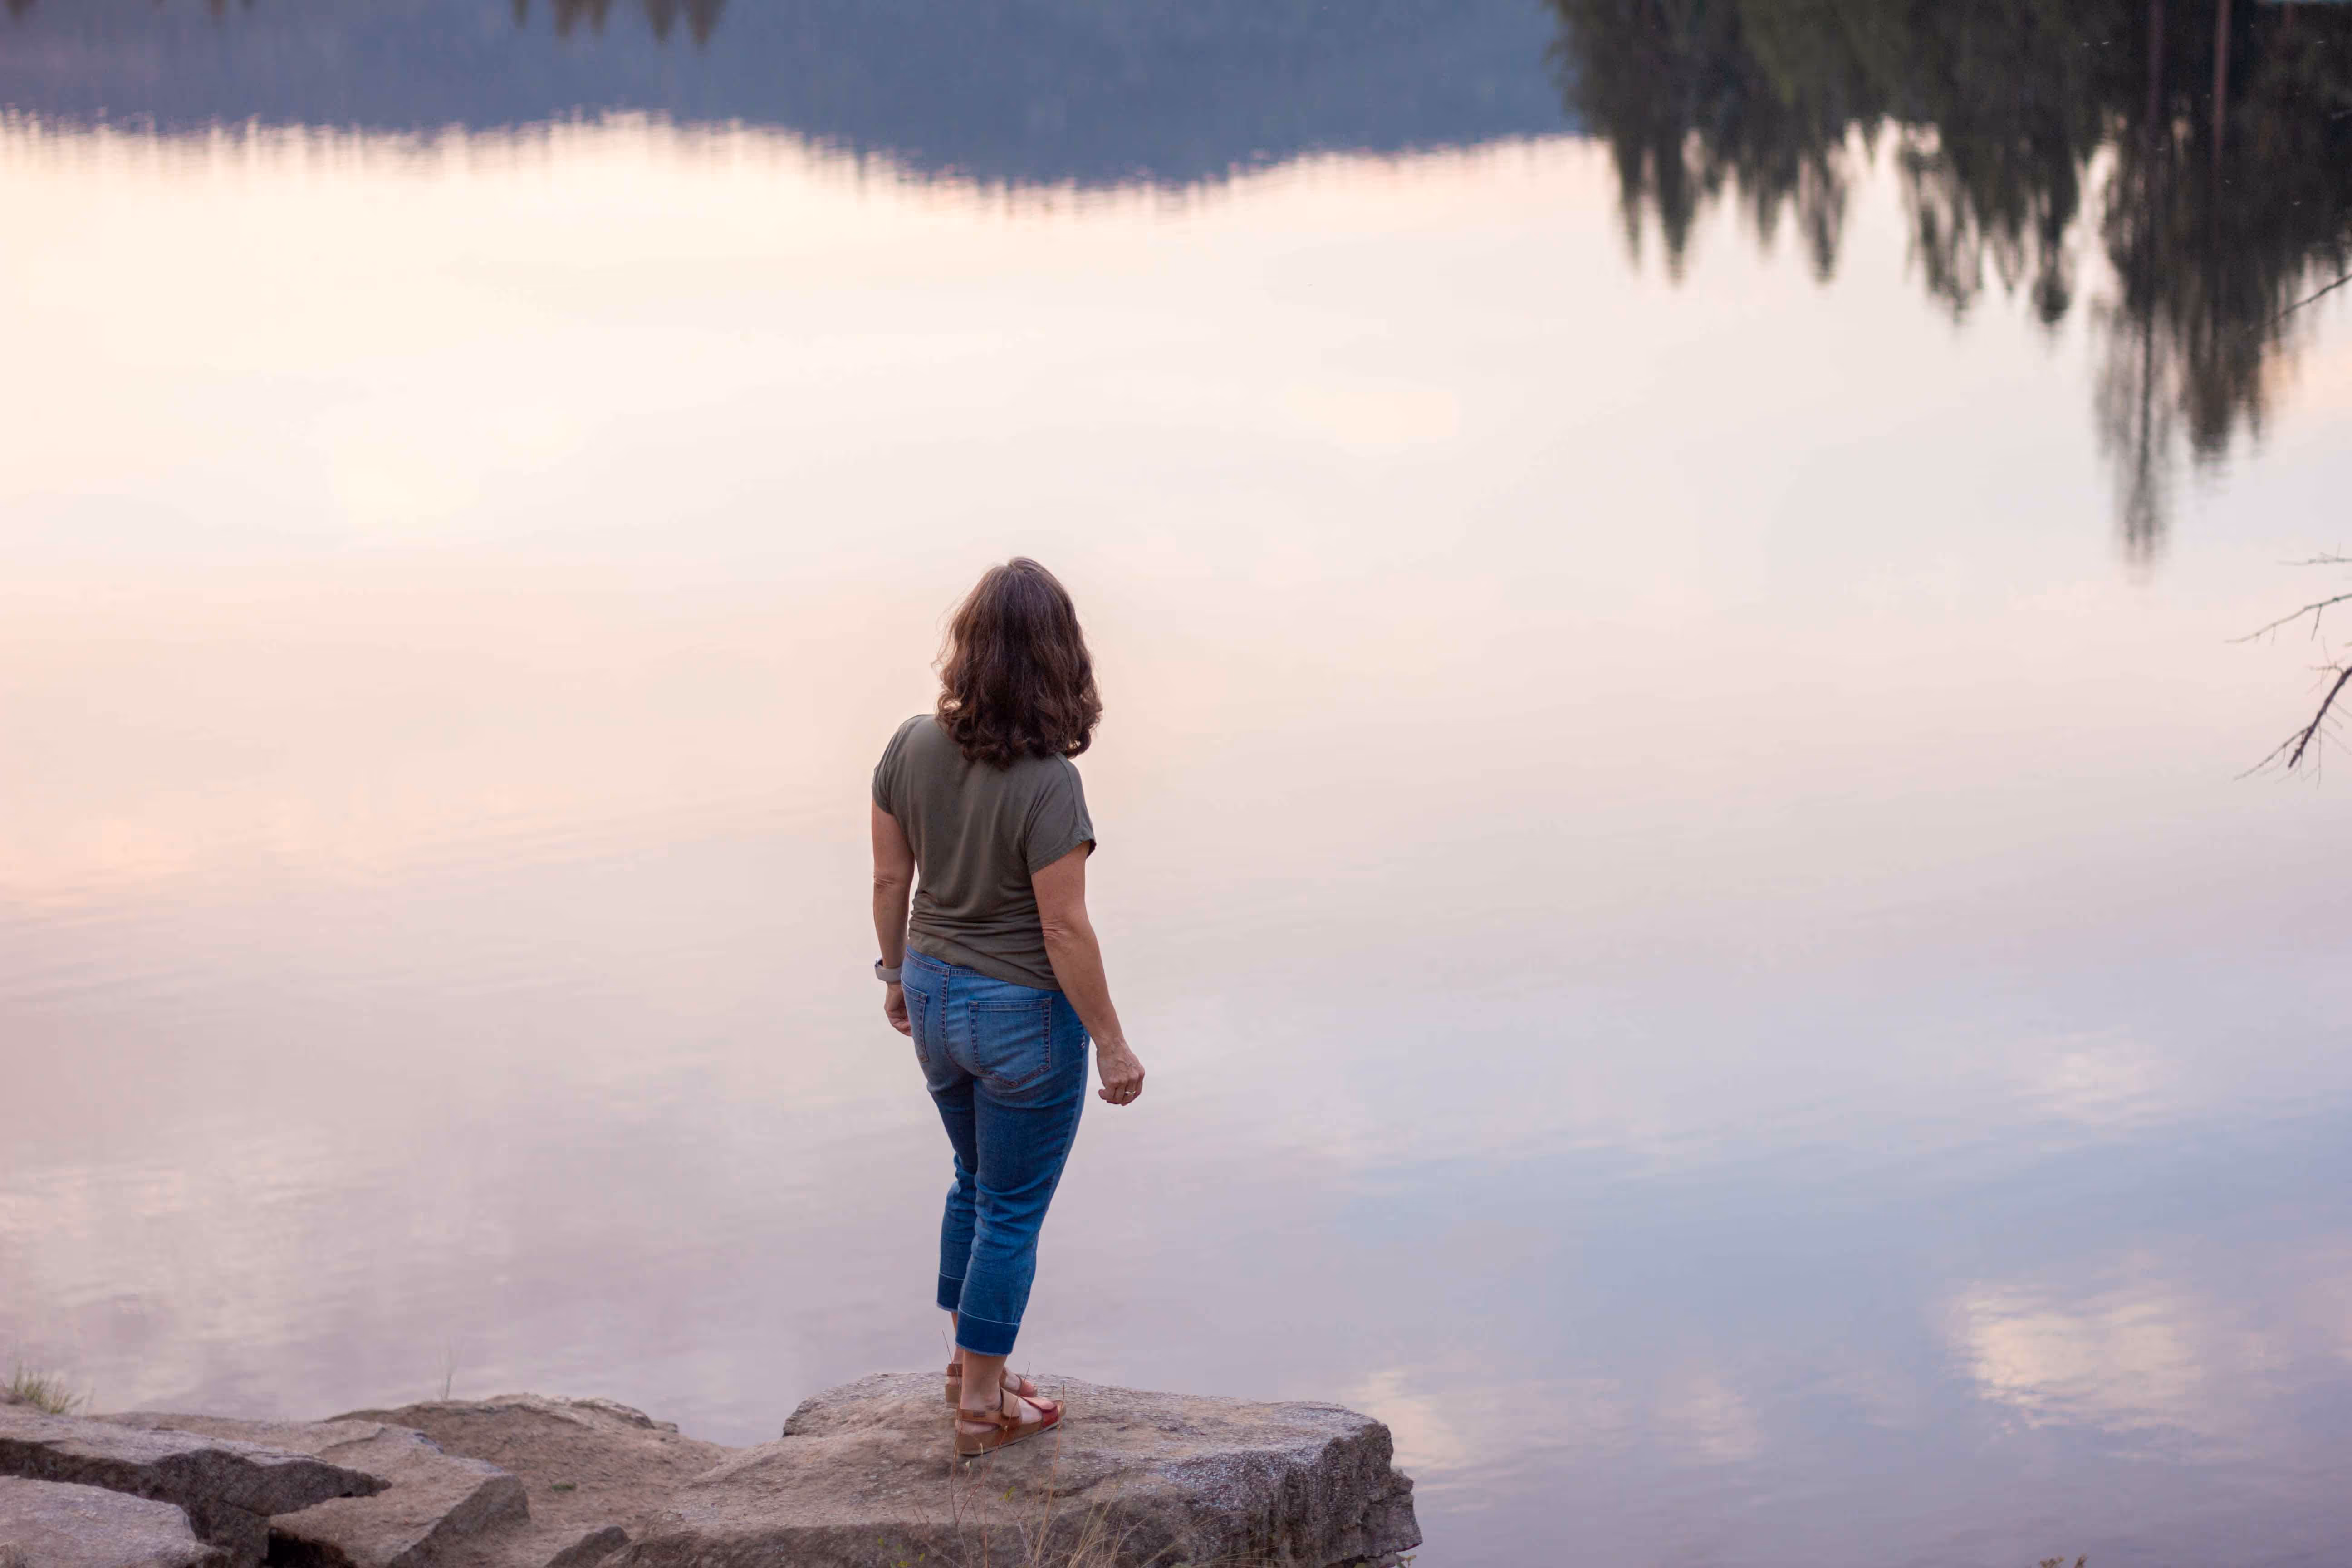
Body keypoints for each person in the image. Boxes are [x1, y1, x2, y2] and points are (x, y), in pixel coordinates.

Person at [869, 558, 1148, 1459]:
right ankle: (983, 1409)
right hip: (1021, 1014)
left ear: (968, 648)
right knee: (1012, 1207)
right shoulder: (1049, 782)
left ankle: (968, 1368)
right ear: (1060, 659)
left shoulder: (910, 745)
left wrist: (894, 975)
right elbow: (1062, 929)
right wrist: (1112, 1044)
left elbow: (890, 879)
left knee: (974, 1181)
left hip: (932, 989)